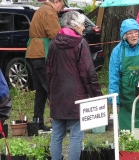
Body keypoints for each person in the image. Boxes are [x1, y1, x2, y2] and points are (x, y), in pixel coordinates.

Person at [46, 11, 103, 159]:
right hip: (76, 95)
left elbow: (48, 71)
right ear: (74, 24)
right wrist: (97, 94)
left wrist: (50, 94)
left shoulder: (53, 42)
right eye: (82, 24)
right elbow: (88, 72)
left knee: (57, 135)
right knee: (76, 135)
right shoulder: (80, 43)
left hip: (58, 95)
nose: (84, 27)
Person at [25, 0, 68, 131]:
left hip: (34, 54)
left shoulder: (41, 9)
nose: (62, 9)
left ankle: (37, 122)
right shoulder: (49, 12)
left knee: (41, 91)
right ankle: (62, 122)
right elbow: (55, 34)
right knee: (52, 88)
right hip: (42, 54)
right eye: (62, 5)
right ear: (57, 1)